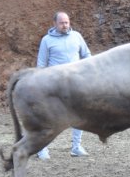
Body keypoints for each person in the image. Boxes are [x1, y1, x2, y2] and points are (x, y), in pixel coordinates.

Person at [36, 12, 92, 160]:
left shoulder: (77, 36)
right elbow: (41, 65)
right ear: (54, 23)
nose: (65, 25)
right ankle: (42, 149)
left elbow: (87, 56)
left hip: (75, 83)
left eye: (67, 22)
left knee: (78, 115)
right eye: (62, 23)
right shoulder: (46, 40)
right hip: (55, 84)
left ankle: (76, 147)